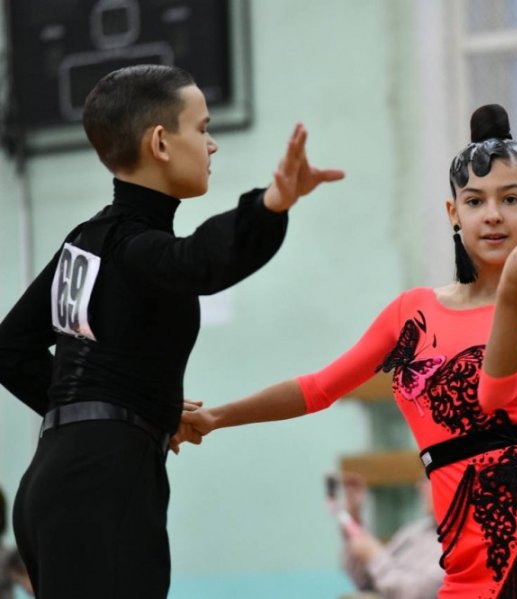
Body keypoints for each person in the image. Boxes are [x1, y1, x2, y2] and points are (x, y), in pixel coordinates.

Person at [180, 104, 517, 598]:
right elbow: (319, 388)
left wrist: (512, 298)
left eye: (510, 198)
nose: (493, 214)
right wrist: (216, 417)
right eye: (475, 201)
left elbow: (493, 394)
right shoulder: (412, 311)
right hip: (462, 548)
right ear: (453, 213)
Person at [0, 64, 344, 598]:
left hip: (54, 481)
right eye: (203, 128)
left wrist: (119, 406)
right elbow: (199, 262)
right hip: (100, 488)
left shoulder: (87, 240)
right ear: (160, 143)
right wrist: (272, 203)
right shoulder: (134, 246)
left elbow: (10, 348)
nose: (212, 145)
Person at [339, 472, 443, 599]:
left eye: (427, 479)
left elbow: (415, 594)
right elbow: (365, 579)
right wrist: (353, 516)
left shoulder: (455, 544)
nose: (419, 486)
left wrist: (374, 556)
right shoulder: (415, 530)